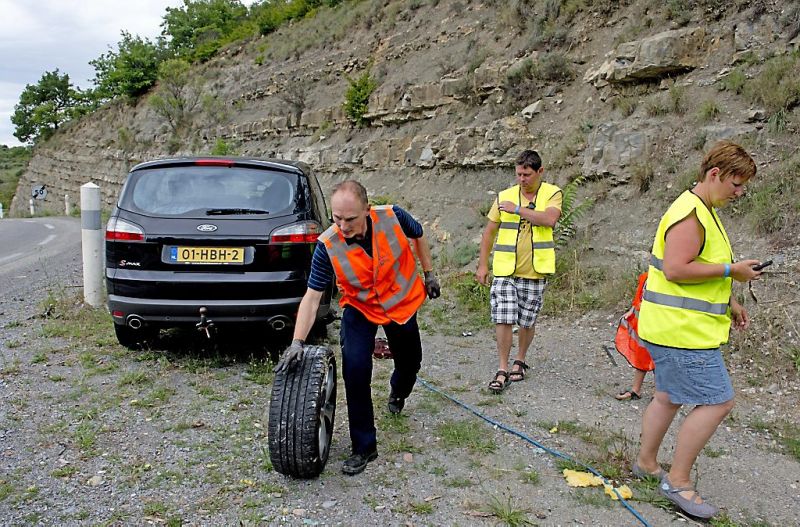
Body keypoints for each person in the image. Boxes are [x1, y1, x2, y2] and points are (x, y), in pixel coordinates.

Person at [633, 141, 762, 519]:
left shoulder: (702, 208)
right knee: (719, 400)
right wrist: (731, 272)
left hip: (671, 327)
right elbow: (676, 268)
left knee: (668, 396)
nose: (740, 193)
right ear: (715, 174)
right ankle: (679, 481)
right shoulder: (691, 214)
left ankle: (646, 463)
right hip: (681, 333)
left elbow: (692, 271)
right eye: (736, 184)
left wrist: (729, 301)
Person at [275, 180, 440, 476]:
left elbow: (419, 235)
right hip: (360, 307)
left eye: (350, 219)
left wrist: (428, 274)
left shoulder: (393, 217)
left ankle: (398, 393)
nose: (343, 226)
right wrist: (297, 341)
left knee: (410, 361)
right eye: (337, 218)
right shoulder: (327, 246)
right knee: (355, 370)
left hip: (399, 304)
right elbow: (312, 298)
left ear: (367, 209)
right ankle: (364, 447)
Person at [476, 150, 562, 393]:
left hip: (535, 271)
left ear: (540, 172)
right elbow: (489, 233)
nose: (522, 179)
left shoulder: (552, 193)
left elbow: (549, 220)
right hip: (505, 270)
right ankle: (502, 368)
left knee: (527, 320)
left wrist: (517, 210)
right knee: (503, 316)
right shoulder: (504, 197)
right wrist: (483, 265)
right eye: (518, 174)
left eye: (526, 174)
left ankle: (519, 360)